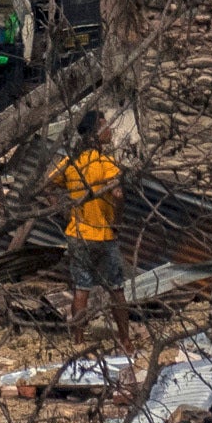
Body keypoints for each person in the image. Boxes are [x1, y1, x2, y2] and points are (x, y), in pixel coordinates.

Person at [57, 129, 126, 302]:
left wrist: (62, 211)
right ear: (95, 132)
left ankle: (78, 330)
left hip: (78, 234)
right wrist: (116, 222)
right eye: (105, 125)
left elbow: (47, 185)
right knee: (116, 288)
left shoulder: (70, 162)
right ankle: (123, 331)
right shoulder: (105, 162)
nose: (110, 130)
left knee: (81, 289)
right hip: (104, 235)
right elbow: (118, 194)